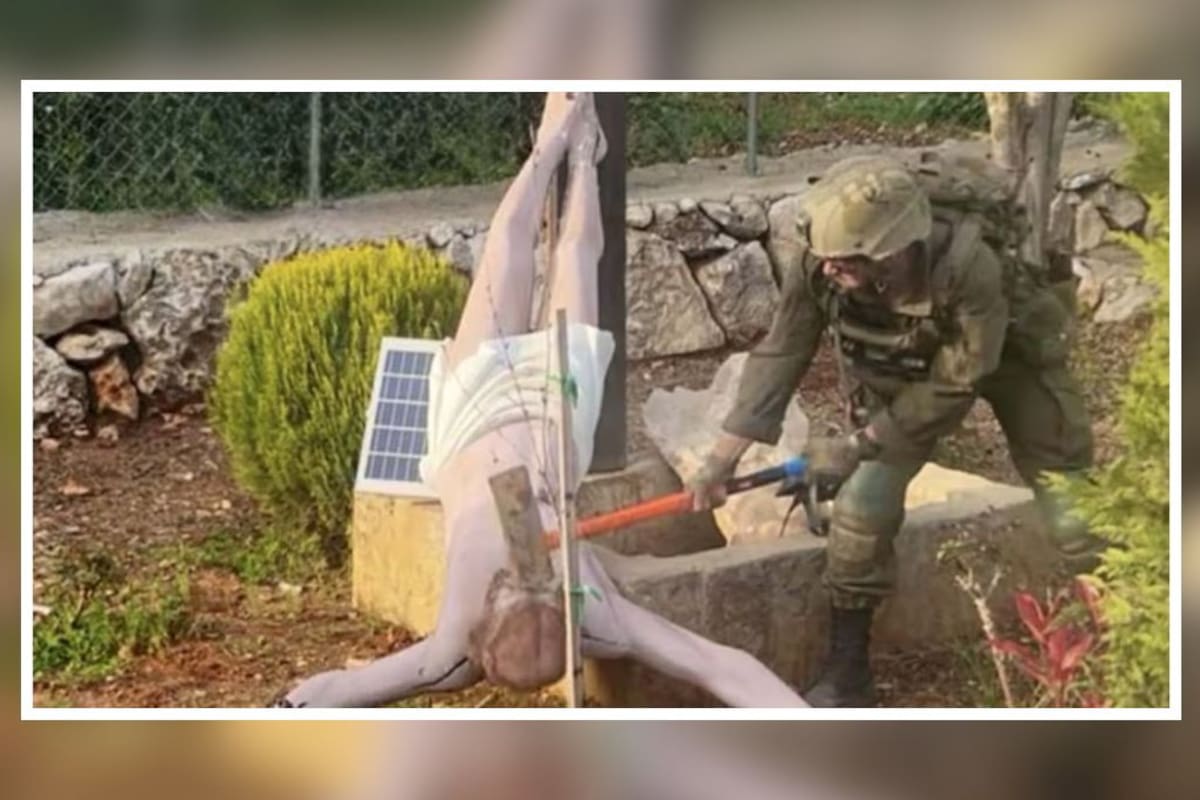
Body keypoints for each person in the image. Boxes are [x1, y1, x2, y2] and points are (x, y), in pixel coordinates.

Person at [272, 93, 806, 709]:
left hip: (476, 411)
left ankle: (561, 146)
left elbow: (337, 691)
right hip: (552, 415)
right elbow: (720, 666)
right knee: (571, 256)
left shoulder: (450, 647)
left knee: (512, 249)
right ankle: (575, 152)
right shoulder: (597, 619)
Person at [689, 155, 1100, 708]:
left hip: (1008, 356)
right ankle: (848, 674)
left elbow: (959, 383)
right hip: (904, 374)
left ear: (892, 250)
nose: (830, 269)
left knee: (1065, 489)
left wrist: (856, 445)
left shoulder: (969, 267)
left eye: (846, 260)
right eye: (827, 258)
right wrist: (721, 459)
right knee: (861, 509)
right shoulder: (822, 266)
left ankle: (1118, 625)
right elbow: (782, 352)